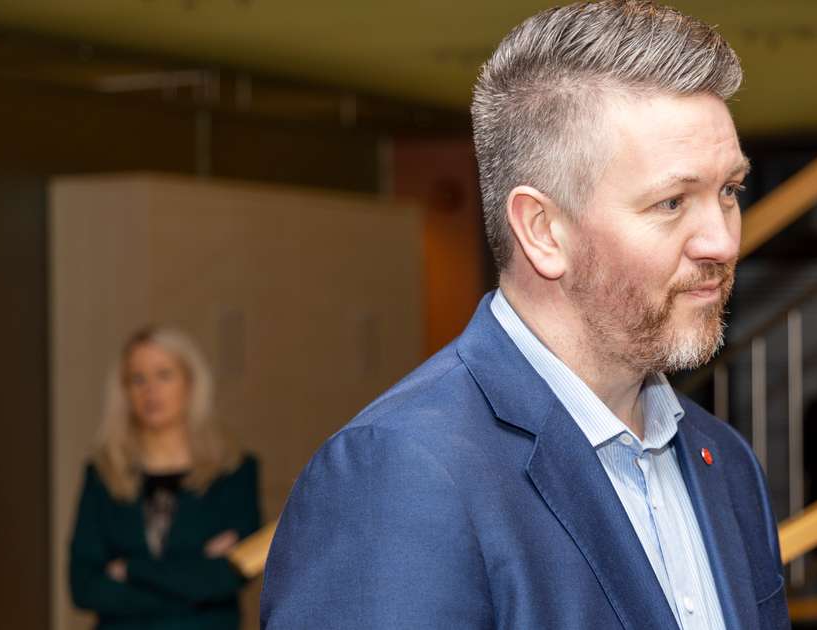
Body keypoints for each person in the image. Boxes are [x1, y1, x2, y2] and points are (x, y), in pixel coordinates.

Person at [261, 1, 790, 628]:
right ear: (542, 230)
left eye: (729, 191)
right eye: (672, 202)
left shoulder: (725, 462)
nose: (722, 242)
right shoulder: (399, 477)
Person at [70, 326, 261, 630]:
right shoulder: (103, 472)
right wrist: (195, 568)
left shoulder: (234, 470)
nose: (150, 391)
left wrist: (130, 569)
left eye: (164, 375)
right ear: (125, 391)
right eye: (138, 379)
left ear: (190, 382)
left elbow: (230, 576)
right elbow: (84, 587)